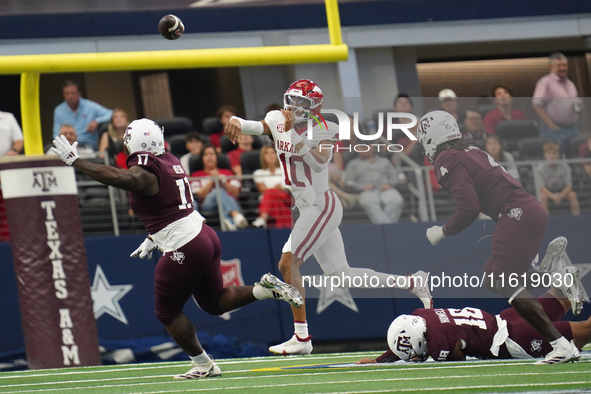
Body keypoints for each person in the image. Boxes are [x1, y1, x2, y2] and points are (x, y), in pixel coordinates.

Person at [50, 118, 303, 380]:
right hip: (203, 234)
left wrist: (76, 162)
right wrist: (154, 236)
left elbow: (120, 177)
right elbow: (167, 201)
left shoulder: (145, 169)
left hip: (185, 244)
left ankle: (203, 364)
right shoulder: (169, 159)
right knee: (214, 303)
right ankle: (263, 290)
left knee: (167, 312)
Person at [225, 79, 433, 355]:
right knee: (343, 275)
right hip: (306, 206)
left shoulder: (324, 126)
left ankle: (302, 337)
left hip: (321, 205)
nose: (296, 107)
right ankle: (412, 282)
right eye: (293, 100)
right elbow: (253, 126)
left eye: (303, 103)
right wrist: (235, 121)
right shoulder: (277, 117)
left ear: (315, 108)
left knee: (288, 263)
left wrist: (295, 136)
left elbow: (320, 160)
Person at [416, 110, 583, 364]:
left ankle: (561, 345)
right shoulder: (469, 150)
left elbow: (468, 208)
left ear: (431, 137)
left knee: (500, 279)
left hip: (515, 213)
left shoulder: (447, 157)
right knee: (492, 277)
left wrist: (441, 231)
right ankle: (557, 279)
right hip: (527, 209)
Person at [358, 250, 586, 364]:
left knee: (585, 331)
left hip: (515, 340)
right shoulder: (422, 315)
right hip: (508, 318)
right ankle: (560, 279)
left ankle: (556, 279)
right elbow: (411, 337)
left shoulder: (440, 345)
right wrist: (381, 359)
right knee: (563, 298)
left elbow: (460, 364)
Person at [190, 144, 248, 231]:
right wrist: (212, 181)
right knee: (218, 191)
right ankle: (236, 215)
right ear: (201, 158)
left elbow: (236, 192)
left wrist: (223, 181)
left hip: (229, 201)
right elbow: (199, 195)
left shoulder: (227, 173)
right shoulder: (196, 175)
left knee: (221, 192)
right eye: (206, 154)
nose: (209, 157)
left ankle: (229, 223)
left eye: (212, 154)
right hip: (208, 205)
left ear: (217, 157)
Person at [532, 53, 581, 156]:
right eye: (559, 66)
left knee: (576, 157)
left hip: (572, 128)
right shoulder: (545, 82)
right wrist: (551, 125)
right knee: (559, 160)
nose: (563, 68)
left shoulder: (570, 83)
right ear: (551, 67)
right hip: (554, 130)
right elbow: (537, 104)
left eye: (564, 65)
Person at [345, 145, 404, 224]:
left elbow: (396, 177)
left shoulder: (385, 161)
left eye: (367, 147)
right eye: (362, 147)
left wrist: (390, 184)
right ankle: (389, 228)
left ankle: (384, 228)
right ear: (357, 149)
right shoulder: (352, 164)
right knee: (367, 202)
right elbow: (349, 181)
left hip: (386, 189)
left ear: (372, 147)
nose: (365, 149)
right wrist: (362, 187)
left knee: (397, 200)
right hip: (366, 191)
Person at [53, 80, 113, 150]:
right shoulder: (58, 110)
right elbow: (56, 133)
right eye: (67, 93)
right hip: (67, 145)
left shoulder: (90, 106)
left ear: (79, 94)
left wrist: (97, 121)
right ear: (63, 94)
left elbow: (111, 113)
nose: (70, 96)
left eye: (73, 93)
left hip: (87, 144)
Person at [534, 142, 580, 216]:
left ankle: (577, 218)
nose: (552, 156)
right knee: (542, 197)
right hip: (547, 191)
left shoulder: (565, 166)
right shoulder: (540, 168)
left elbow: (569, 186)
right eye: (549, 153)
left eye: (554, 153)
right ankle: (545, 220)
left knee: (572, 195)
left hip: (562, 191)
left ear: (558, 155)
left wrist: (561, 195)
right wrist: (553, 196)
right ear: (545, 155)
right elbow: (541, 187)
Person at [252, 145, 292, 229]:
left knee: (271, 192)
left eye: (272, 153)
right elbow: (262, 189)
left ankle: (263, 218)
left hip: (285, 197)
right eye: (267, 153)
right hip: (273, 201)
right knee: (272, 195)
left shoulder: (286, 170)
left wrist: (282, 188)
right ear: (263, 157)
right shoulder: (258, 173)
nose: (270, 155)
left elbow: (290, 188)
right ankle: (285, 226)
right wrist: (277, 189)